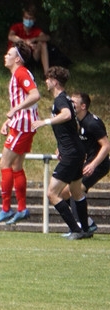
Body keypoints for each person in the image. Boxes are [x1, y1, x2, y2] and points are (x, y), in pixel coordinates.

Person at [31, 66, 92, 239]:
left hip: (71, 154)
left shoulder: (60, 100)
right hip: (76, 151)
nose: (46, 82)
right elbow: (75, 125)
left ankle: (75, 230)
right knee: (76, 192)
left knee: (52, 193)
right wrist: (63, 145)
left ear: (55, 82)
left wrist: (45, 122)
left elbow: (66, 115)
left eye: (48, 79)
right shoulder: (67, 99)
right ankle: (85, 229)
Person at [0, 43, 40, 225]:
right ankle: (22, 208)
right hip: (22, 123)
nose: (5, 56)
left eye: (9, 54)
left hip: (23, 125)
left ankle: (5, 209)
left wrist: (15, 111)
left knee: (5, 163)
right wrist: (8, 120)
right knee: (17, 166)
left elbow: (35, 95)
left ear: (17, 59)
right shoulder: (18, 74)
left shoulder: (21, 73)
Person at [59, 92, 109, 232]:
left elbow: (106, 146)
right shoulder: (75, 121)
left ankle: (80, 226)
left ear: (83, 106)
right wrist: (61, 149)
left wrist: (93, 165)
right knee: (63, 193)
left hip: (99, 164)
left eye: (73, 103)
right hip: (86, 163)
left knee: (75, 189)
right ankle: (88, 223)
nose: (70, 105)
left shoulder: (92, 123)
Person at [8, 5, 50, 74]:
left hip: (31, 57)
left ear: (34, 20)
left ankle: (47, 73)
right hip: (18, 56)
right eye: (26, 18)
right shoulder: (16, 27)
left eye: (30, 19)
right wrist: (26, 43)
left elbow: (47, 37)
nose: (28, 20)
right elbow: (11, 36)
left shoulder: (36, 30)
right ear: (23, 18)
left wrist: (34, 39)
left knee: (43, 43)